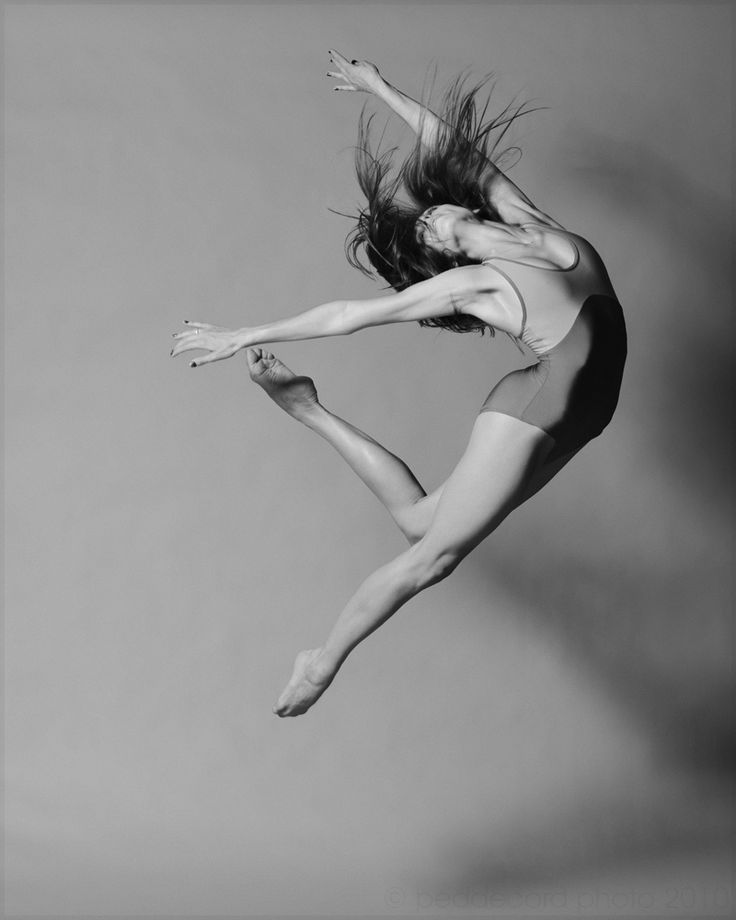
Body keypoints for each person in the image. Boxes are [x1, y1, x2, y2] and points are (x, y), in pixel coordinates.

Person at [170, 51, 627, 717]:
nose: (435, 218)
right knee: (435, 559)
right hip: (538, 405)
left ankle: (309, 411)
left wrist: (379, 87)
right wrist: (241, 332)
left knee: (419, 522)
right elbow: (352, 316)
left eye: (434, 214)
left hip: (585, 412)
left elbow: (455, 149)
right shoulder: (478, 282)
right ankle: (321, 663)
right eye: (430, 231)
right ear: (450, 256)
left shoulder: (529, 222)